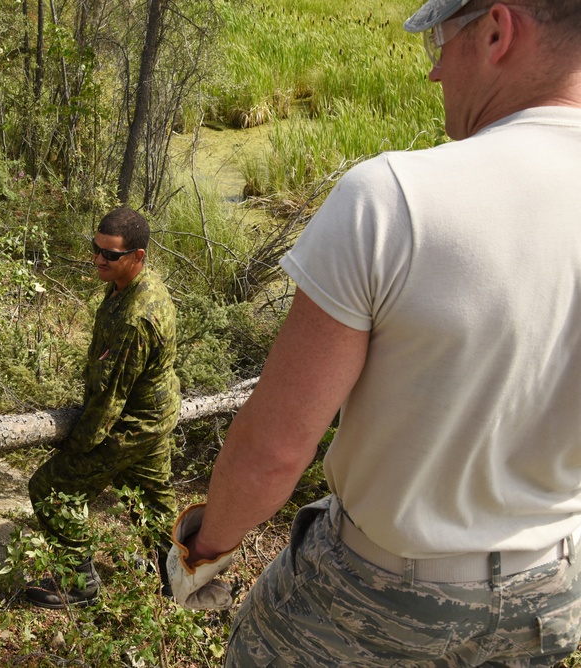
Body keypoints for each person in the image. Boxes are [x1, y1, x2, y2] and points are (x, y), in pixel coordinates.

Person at [169, 0, 581, 665]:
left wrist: (202, 549)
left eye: (441, 45)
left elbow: (275, 447)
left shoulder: (392, 198)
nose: (436, 73)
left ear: (499, 31)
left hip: (378, 596)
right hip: (552, 597)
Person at [25, 207, 181, 609]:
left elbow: (110, 402)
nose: (98, 259)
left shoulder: (136, 316)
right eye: (95, 248)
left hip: (132, 424)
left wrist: (73, 446)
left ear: (138, 256)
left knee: (50, 487)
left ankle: (79, 583)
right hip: (154, 417)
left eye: (110, 254)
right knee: (151, 500)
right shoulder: (125, 286)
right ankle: (181, 580)